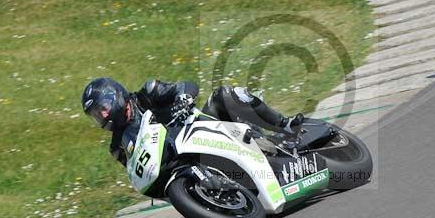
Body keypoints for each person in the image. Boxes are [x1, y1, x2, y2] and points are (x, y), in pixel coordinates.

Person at [81, 77, 303, 166]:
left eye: (102, 108)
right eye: (95, 115)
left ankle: (284, 124)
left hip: (206, 129)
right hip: (189, 162)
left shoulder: (147, 94)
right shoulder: (118, 145)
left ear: (115, 96)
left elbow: (184, 86)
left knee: (225, 94)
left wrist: (183, 98)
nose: (102, 116)